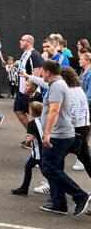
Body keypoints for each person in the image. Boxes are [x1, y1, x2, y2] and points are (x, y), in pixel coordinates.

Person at [36, 60, 89, 216]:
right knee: (54, 167)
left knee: (49, 168)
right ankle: (59, 203)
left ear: (47, 72)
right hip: (61, 133)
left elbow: (54, 111)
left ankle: (80, 196)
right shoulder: (57, 84)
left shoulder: (58, 86)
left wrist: (47, 133)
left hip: (59, 135)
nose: (40, 74)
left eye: (42, 71)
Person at [12, 101, 44, 195]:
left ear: (31, 112)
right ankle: (24, 188)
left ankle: (57, 190)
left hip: (38, 153)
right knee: (28, 167)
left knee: (47, 172)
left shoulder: (32, 123)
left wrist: (27, 144)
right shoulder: (45, 120)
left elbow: (29, 138)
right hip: (42, 151)